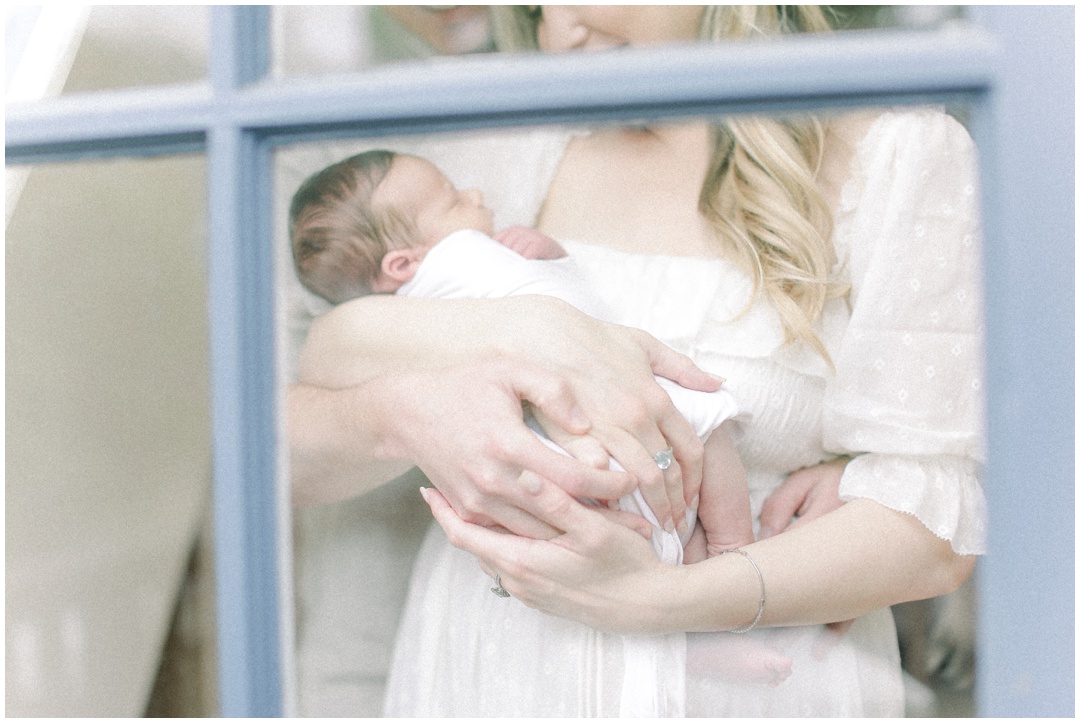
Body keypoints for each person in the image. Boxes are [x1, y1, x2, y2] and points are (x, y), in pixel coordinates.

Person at [289, 5, 986, 717]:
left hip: (748, 679)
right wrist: (457, 379)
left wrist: (661, 600)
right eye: (534, 7)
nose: (559, 36)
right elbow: (299, 416)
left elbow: (934, 529)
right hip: (495, 665)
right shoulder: (502, 144)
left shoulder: (902, 156)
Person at [288, 148, 755, 564]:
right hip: (597, 409)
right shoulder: (455, 261)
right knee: (705, 444)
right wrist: (548, 257)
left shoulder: (404, 312)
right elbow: (562, 299)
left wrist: (545, 255)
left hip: (555, 457)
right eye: (453, 201)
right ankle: (732, 554)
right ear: (403, 264)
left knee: (642, 536)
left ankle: (696, 607)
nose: (473, 194)